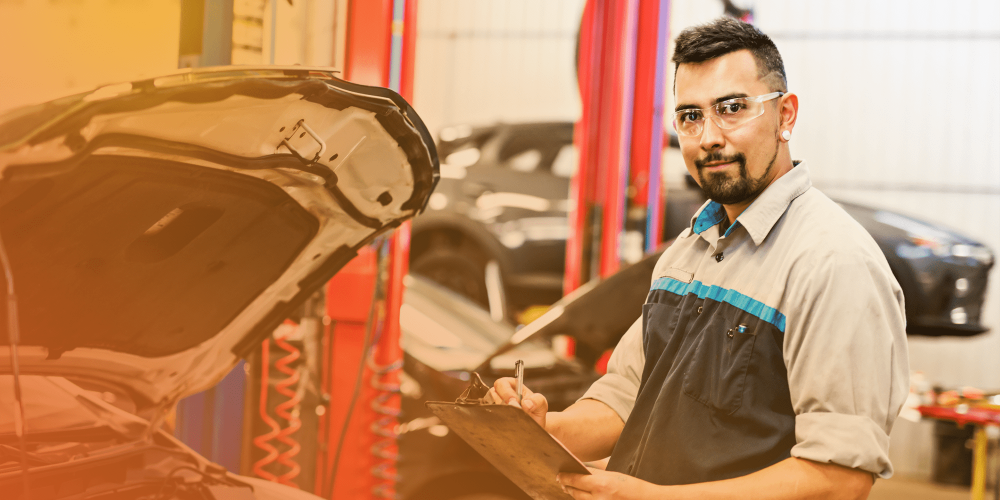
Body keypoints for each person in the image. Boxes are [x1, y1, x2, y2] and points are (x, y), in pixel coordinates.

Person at [491, 17, 908, 499]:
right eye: (690, 116)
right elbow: (626, 395)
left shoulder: (832, 264)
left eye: (732, 109)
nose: (708, 136)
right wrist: (545, 427)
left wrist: (652, 497)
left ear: (786, 115)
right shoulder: (689, 249)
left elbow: (838, 478)